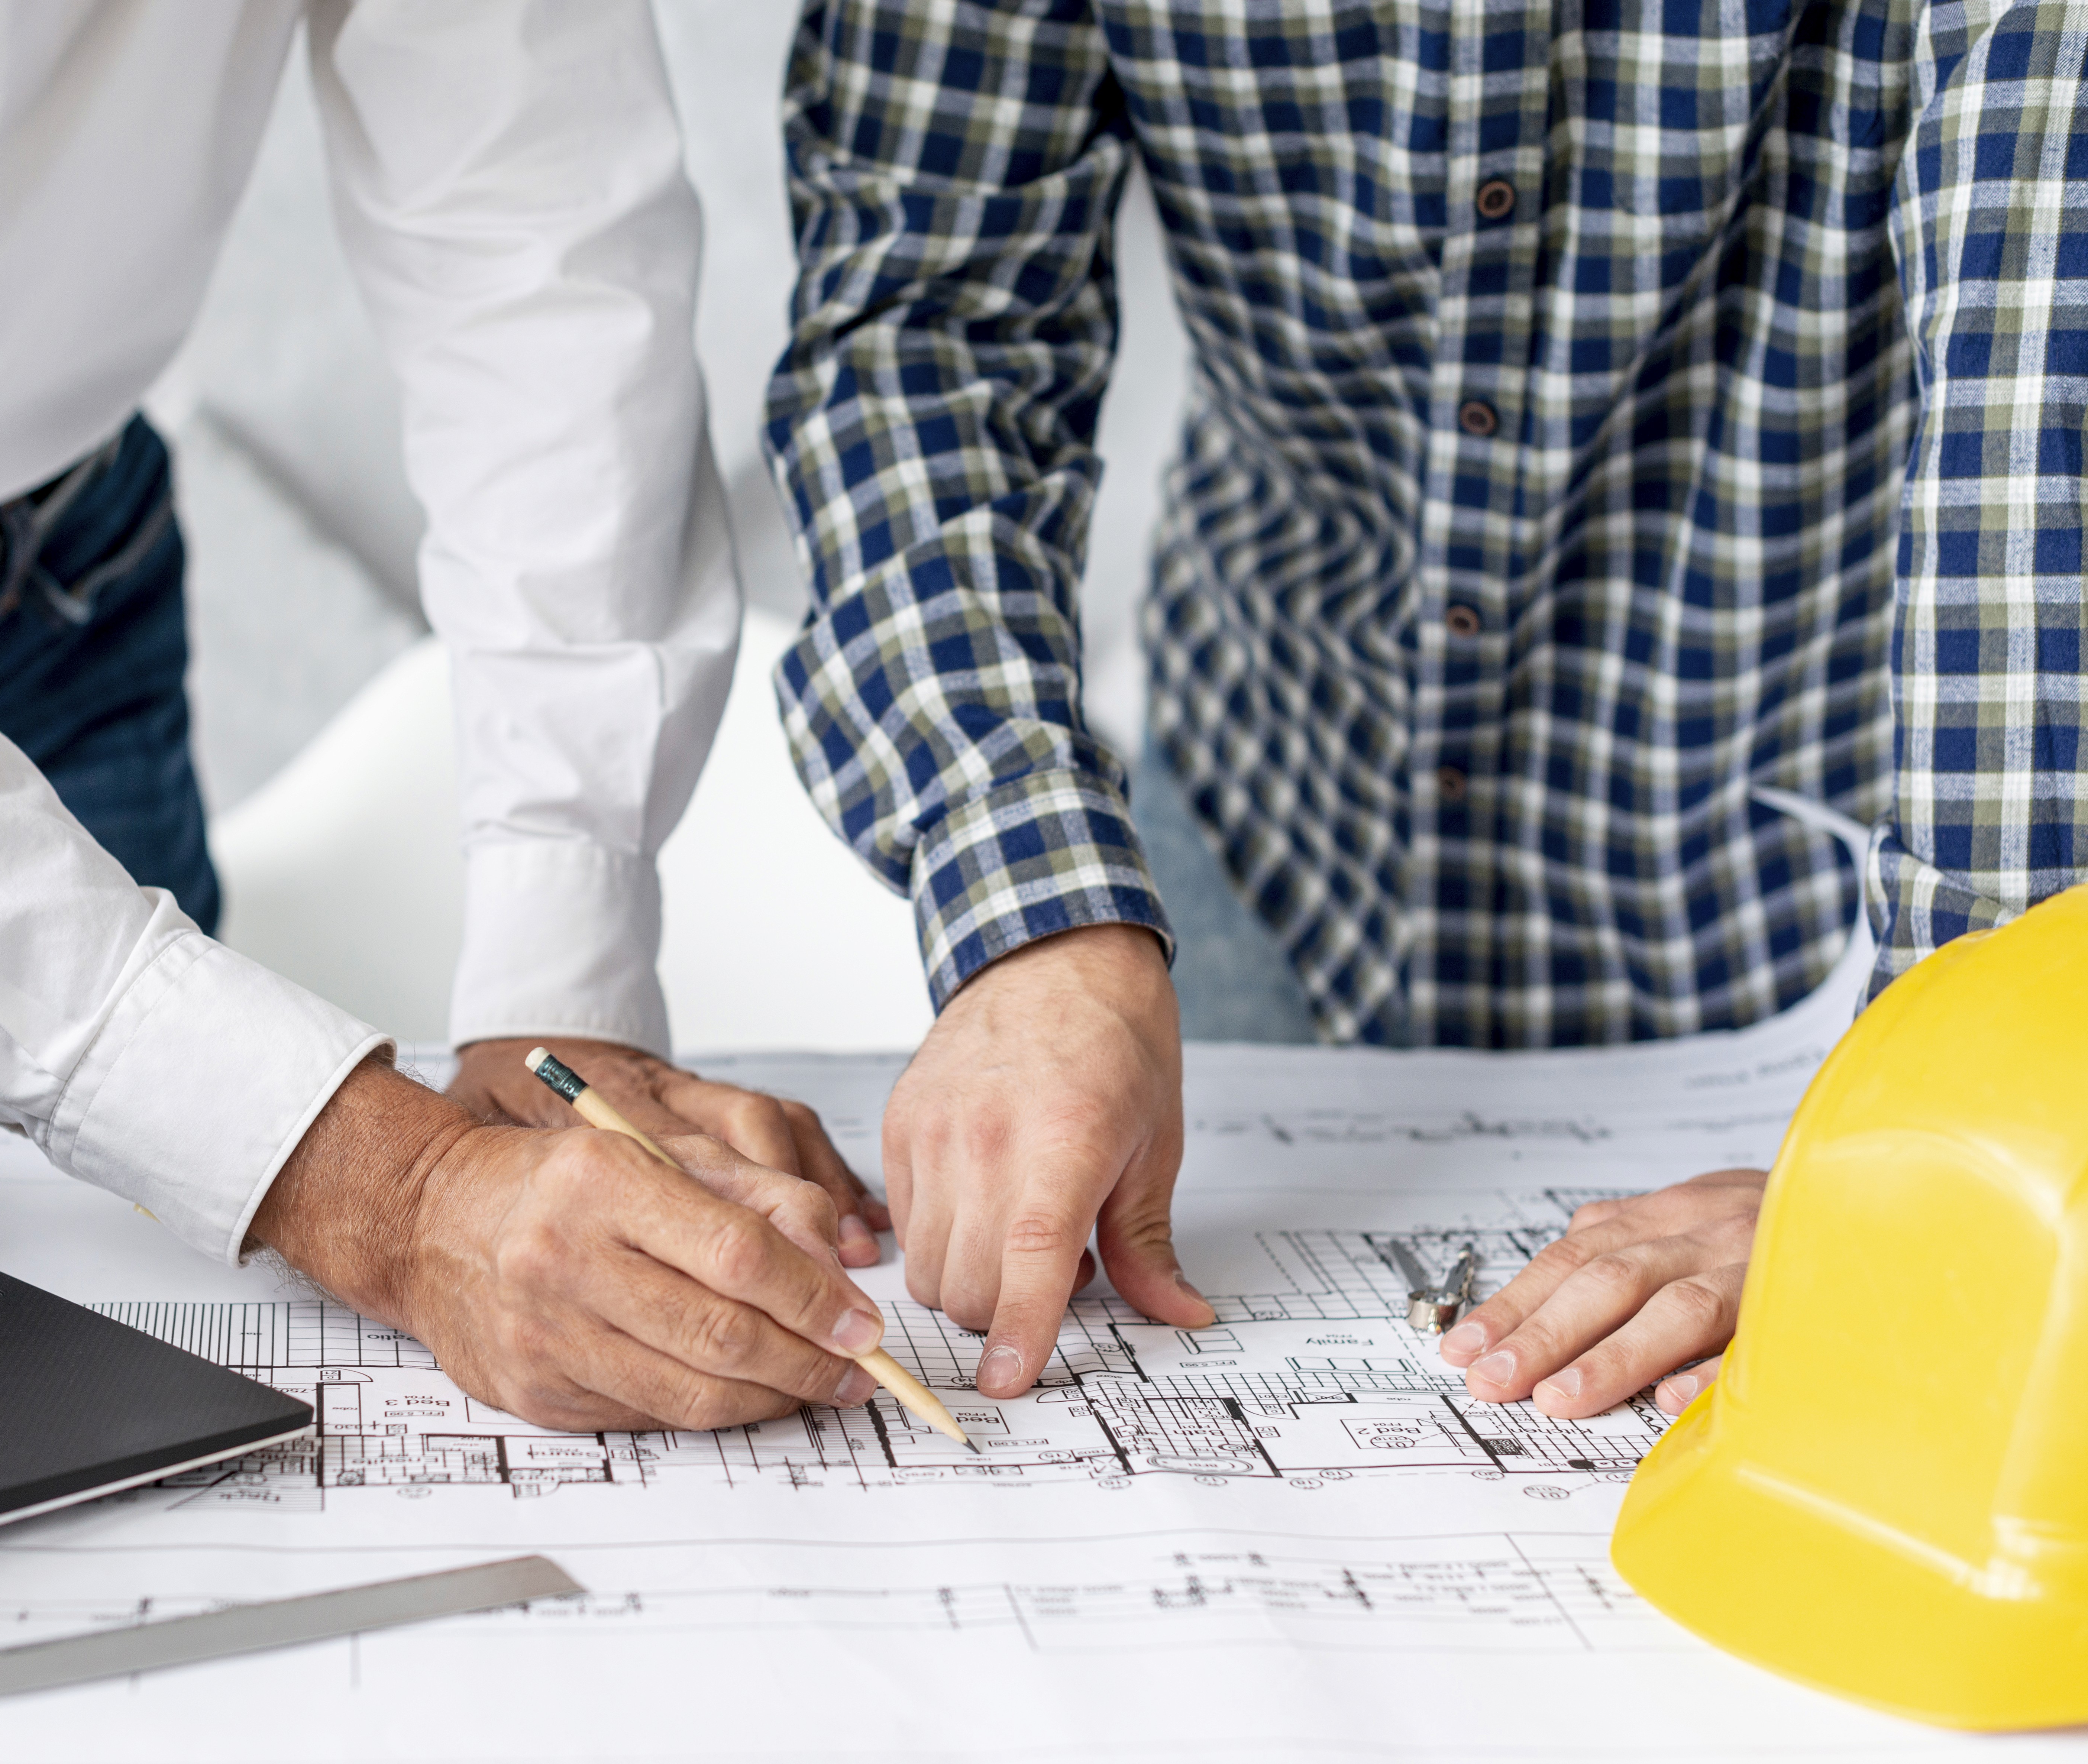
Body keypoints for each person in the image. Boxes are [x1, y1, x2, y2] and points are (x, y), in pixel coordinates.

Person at [0, 1, 896, 1435]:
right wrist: (394, 1190)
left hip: (61, 585)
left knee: (97, 1391)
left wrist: (557, 994)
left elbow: (535, 240)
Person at [763, 0, 2084, 1417]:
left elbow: (2039, 411)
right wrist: (1027, 904)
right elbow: (930, 320)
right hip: (1262, 842)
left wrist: (1938, 1154)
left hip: (1809, 916)